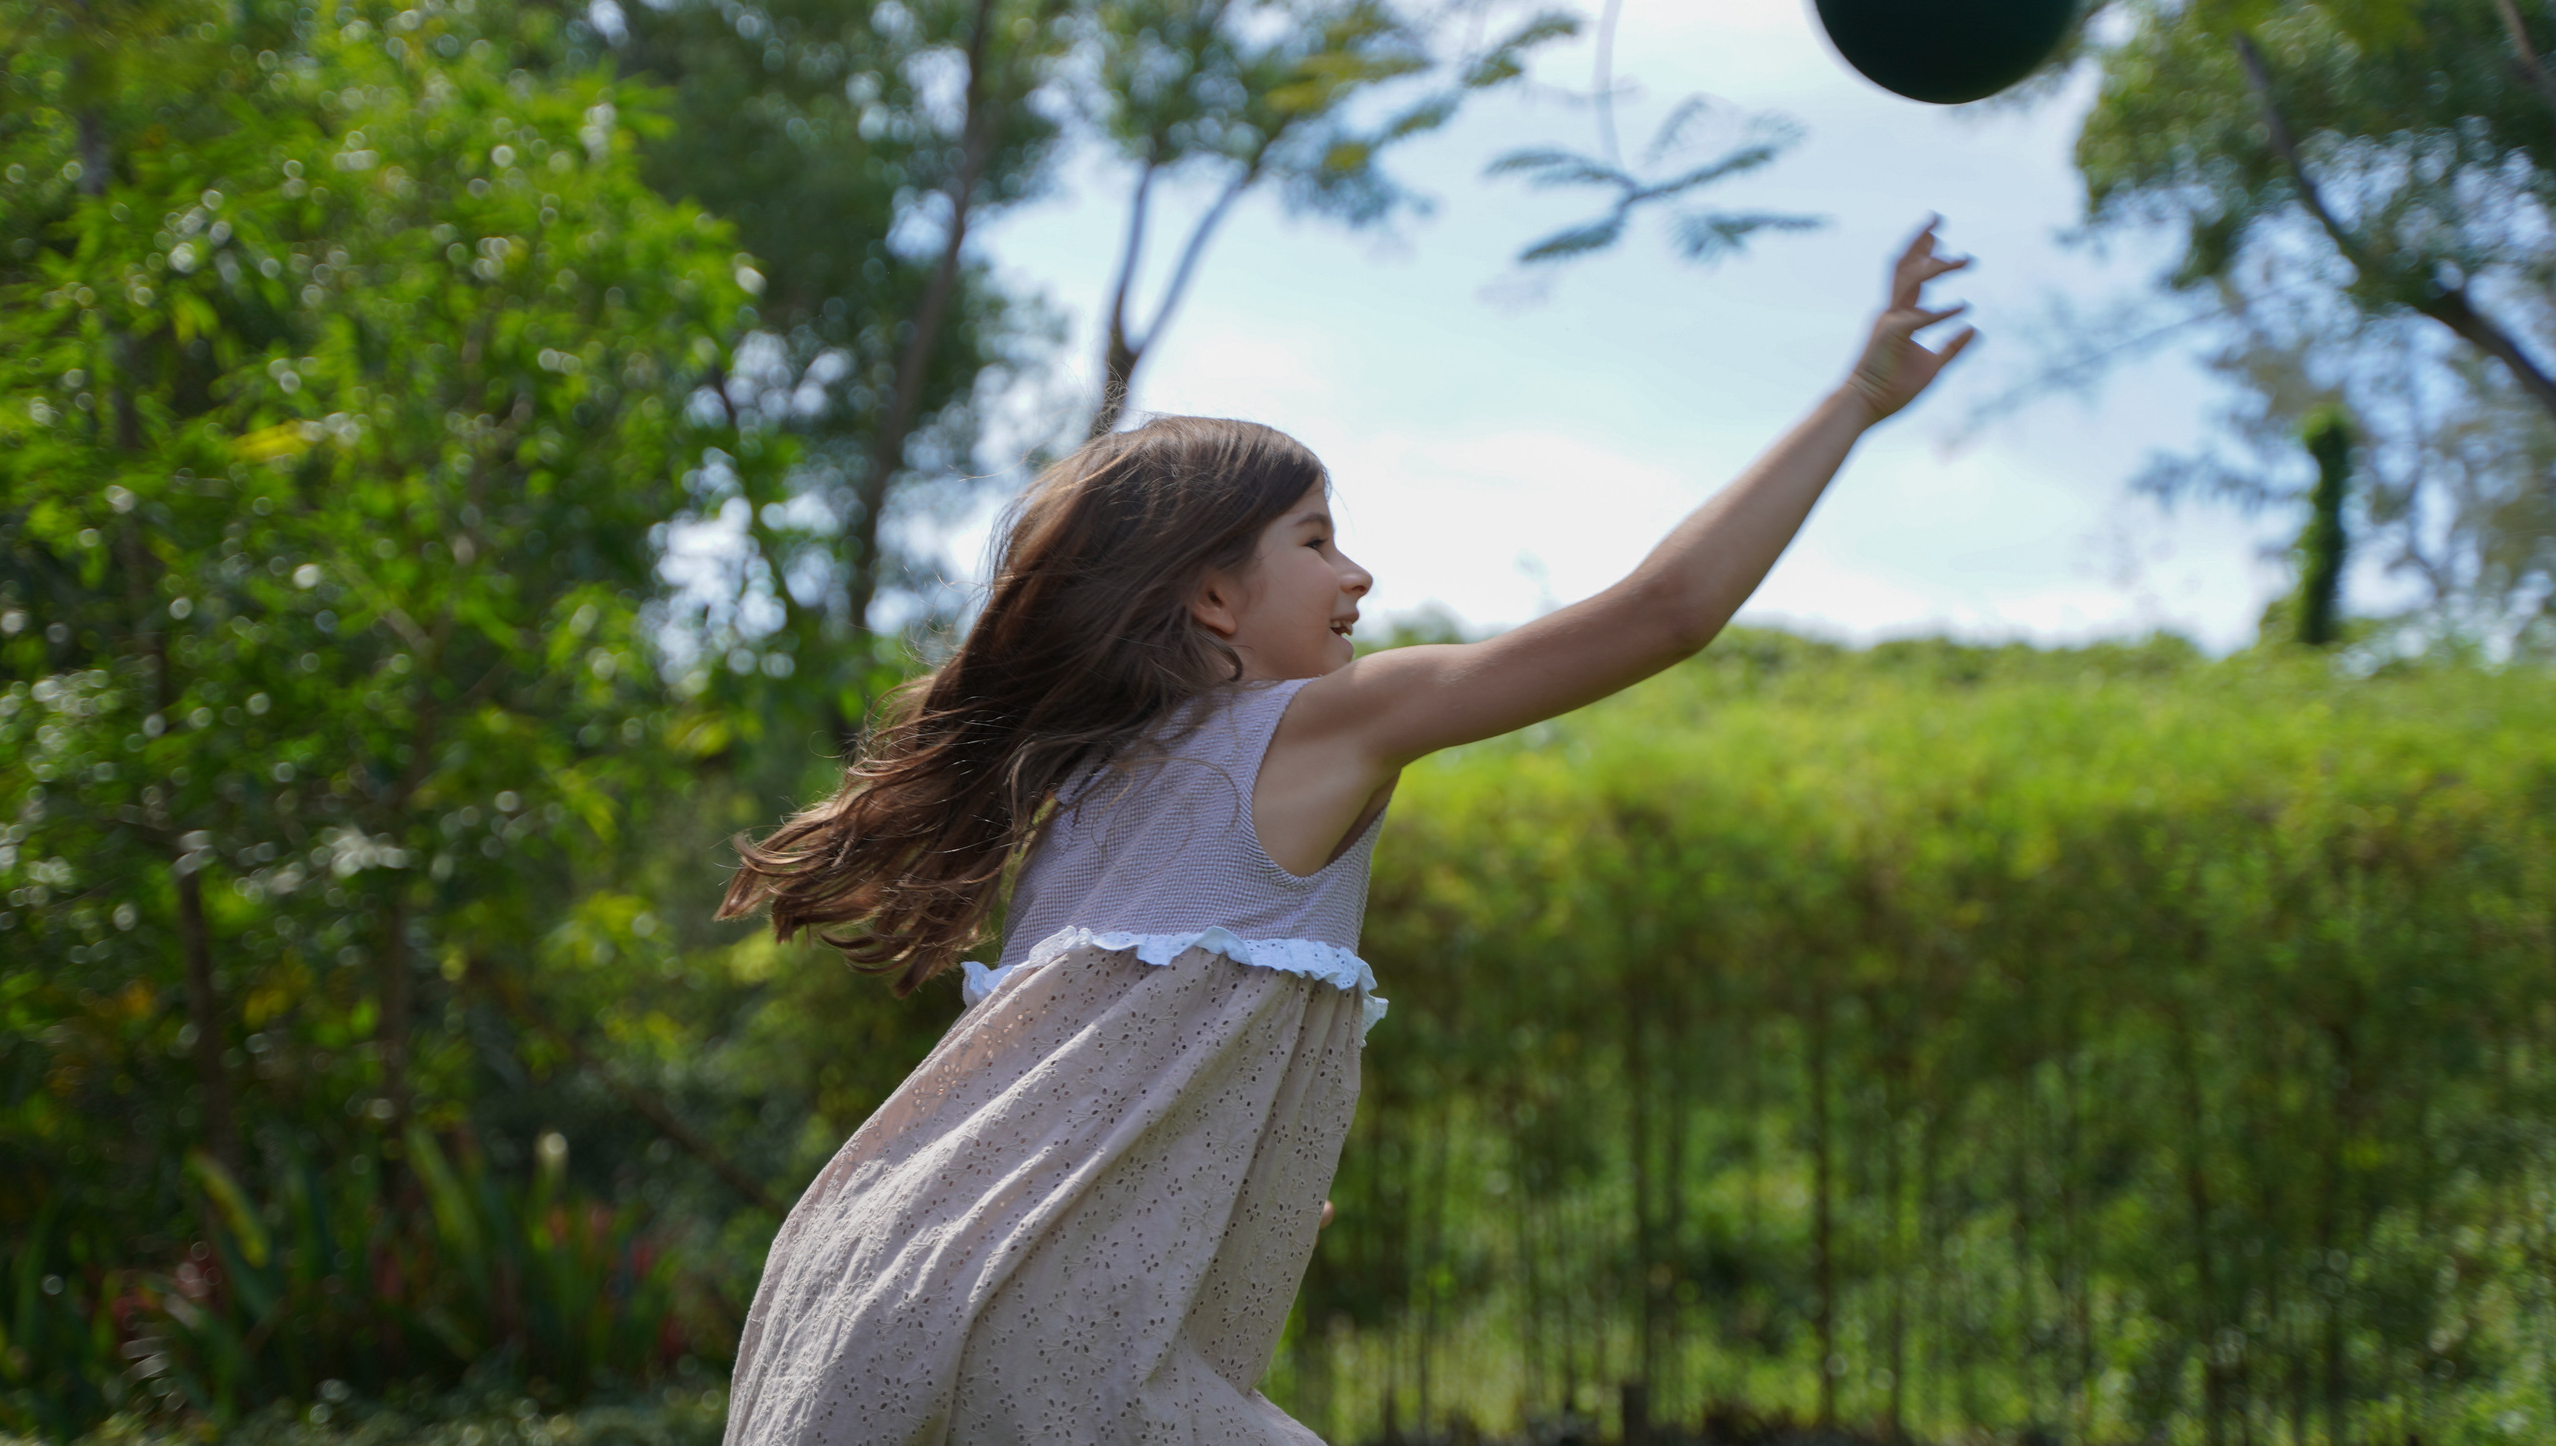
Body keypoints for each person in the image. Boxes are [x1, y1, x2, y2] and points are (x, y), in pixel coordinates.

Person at [714, 221, 1977, 1445]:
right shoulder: (1312, 729)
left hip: (862, 1280)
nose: (1356, 576)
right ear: (1213, 597)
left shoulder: (1084, 794)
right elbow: (1665, 611)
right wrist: (1854, 397)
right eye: (1317, 541)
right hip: (1050, 1336)